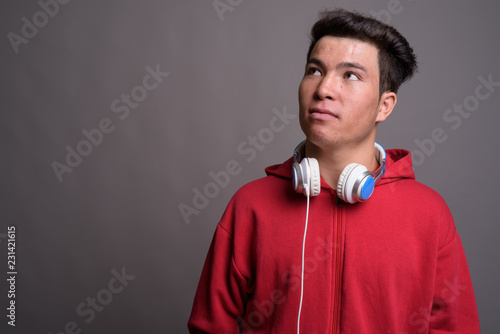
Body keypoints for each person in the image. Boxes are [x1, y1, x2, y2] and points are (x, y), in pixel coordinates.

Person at [188, 8, 480, 333]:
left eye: (350, 75)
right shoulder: (250, 206)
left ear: (384, 105)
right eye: (314, 70)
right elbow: (210, 326)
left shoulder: (430, 214)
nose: (323, 89)